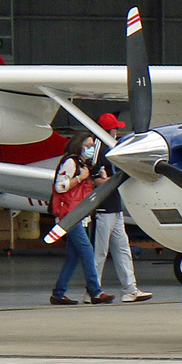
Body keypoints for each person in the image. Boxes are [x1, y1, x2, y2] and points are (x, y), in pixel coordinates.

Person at [89, 112, 152, 302]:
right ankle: (93, 290)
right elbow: (93, 176)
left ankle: (130, 289)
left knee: (122, 248)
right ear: (107, 130)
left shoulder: (111, 147)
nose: (116, 132)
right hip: (103, 208)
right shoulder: (98, 147)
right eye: (114, 128)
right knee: (100, 251)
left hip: (114, 207)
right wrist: (107, 180)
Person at [50, 130, 114, 306]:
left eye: (92, 146)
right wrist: (80, 178)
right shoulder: (71, 163)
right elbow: (61, 186)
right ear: (79, 145)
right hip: (70, 216)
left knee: (73, 256)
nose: (91, 149)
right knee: (86, 251)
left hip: (79, 214)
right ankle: (95, 291)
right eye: (87, 146)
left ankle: (59, 292)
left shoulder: (82, 164)